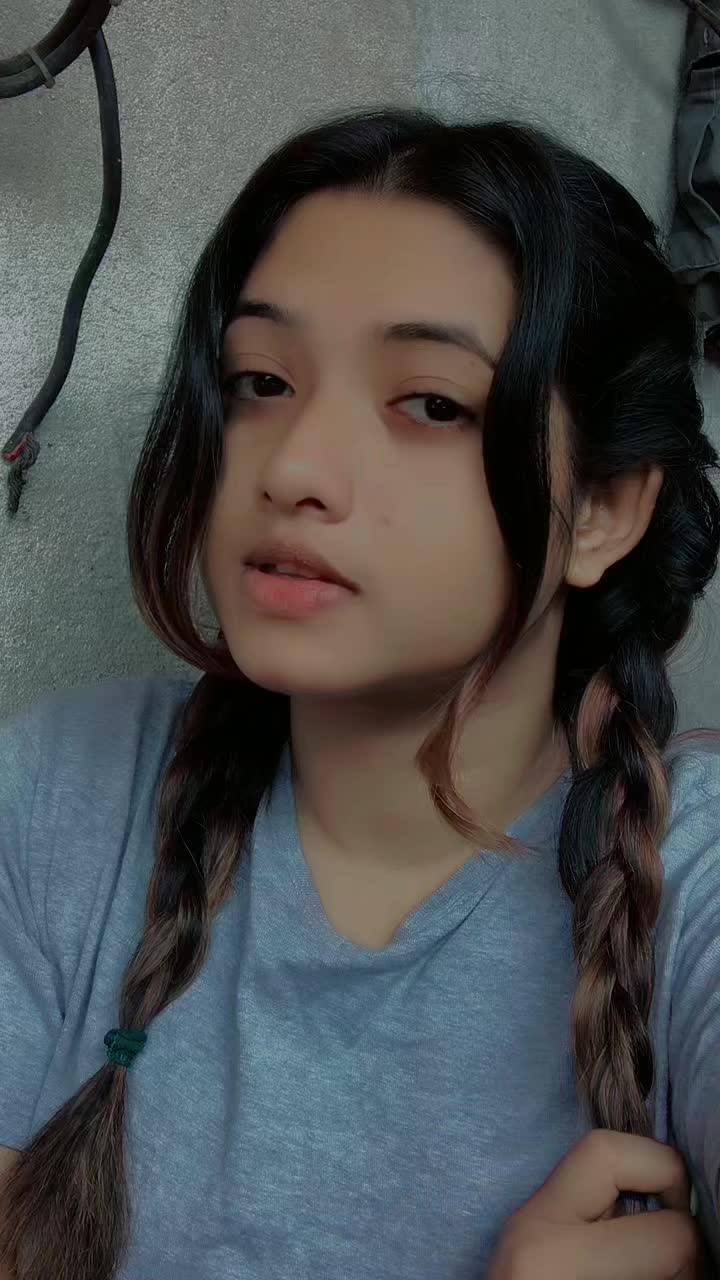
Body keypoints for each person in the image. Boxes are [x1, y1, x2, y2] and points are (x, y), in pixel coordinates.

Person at [0, 106, 719, 1280]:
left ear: (602, 508)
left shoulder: (692, 875)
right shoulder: (57, 790)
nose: (290, 467)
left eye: (431, 402)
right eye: (260, 380)